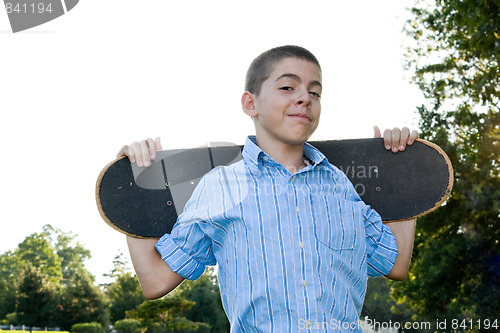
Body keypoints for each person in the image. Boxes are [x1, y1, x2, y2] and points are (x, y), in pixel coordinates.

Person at [117, 45, 418, 332]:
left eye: (315, 91)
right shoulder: (219, 187)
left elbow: (395, 263)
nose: (305, 98)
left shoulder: (341, 185)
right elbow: (155, 281)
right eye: (288, 87)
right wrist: (135, 187)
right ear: (251, 104)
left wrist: (398, 171)